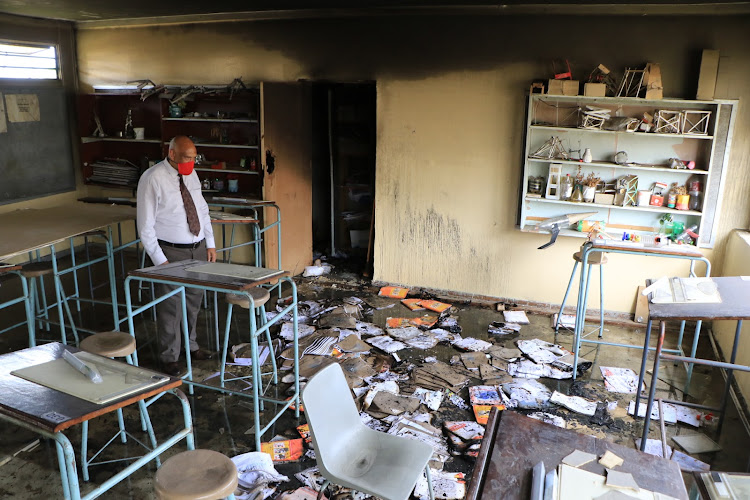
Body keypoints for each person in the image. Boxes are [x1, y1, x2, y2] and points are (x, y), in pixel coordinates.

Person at [137, 135, 216, 376]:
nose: (191, 163)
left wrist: (210, 243)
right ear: (171, 154)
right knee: (170, 306)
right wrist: (161, 261)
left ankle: (191, 346)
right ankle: (169, 357)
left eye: (194, 158)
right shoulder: (152, 179)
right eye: (186, 157)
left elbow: (201, 209)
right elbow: (145, 227)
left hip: (197, 247)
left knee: (194, 301)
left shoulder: (191, 173)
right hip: (170, 250)